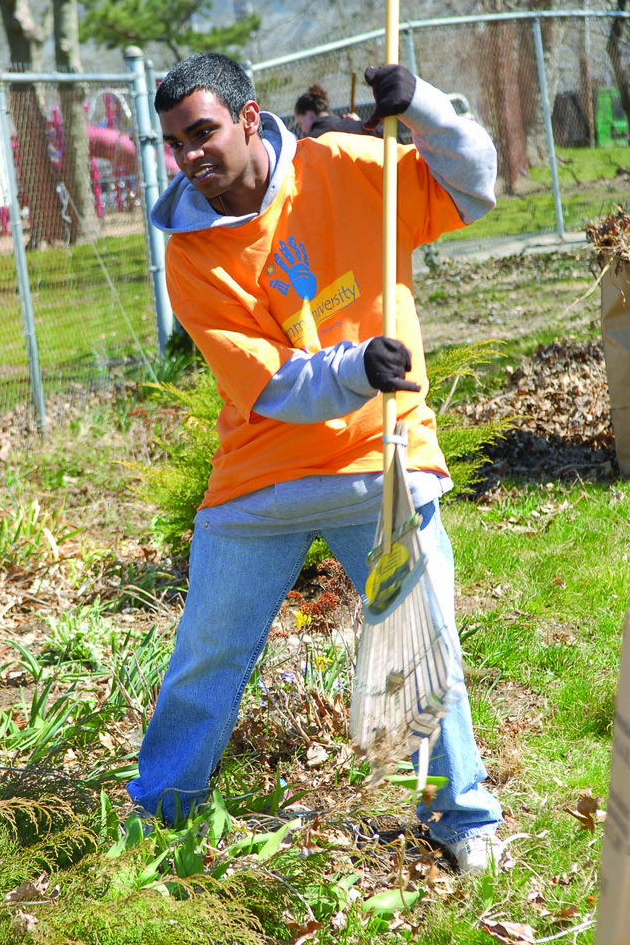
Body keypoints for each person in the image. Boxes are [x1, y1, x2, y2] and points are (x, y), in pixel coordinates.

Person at [126, 52, 504, 874]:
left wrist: (429, 109)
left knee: (420, 646)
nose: (191, 154)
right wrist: (351, 366)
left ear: (249, 118)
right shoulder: (190, 250)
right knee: (206, 655)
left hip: (383, 459)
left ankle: (463, 818)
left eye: (204, 132)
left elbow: (475, 188)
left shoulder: (348, 165)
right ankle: (158, 819)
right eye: (175, 141)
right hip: (261, 481)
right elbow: (263, 386)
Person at [294, 82, 366, 137]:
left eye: (301, 124)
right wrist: (359, 125)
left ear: (309, 114)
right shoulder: (356, 128)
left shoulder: (311, 140)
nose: (303, 130)